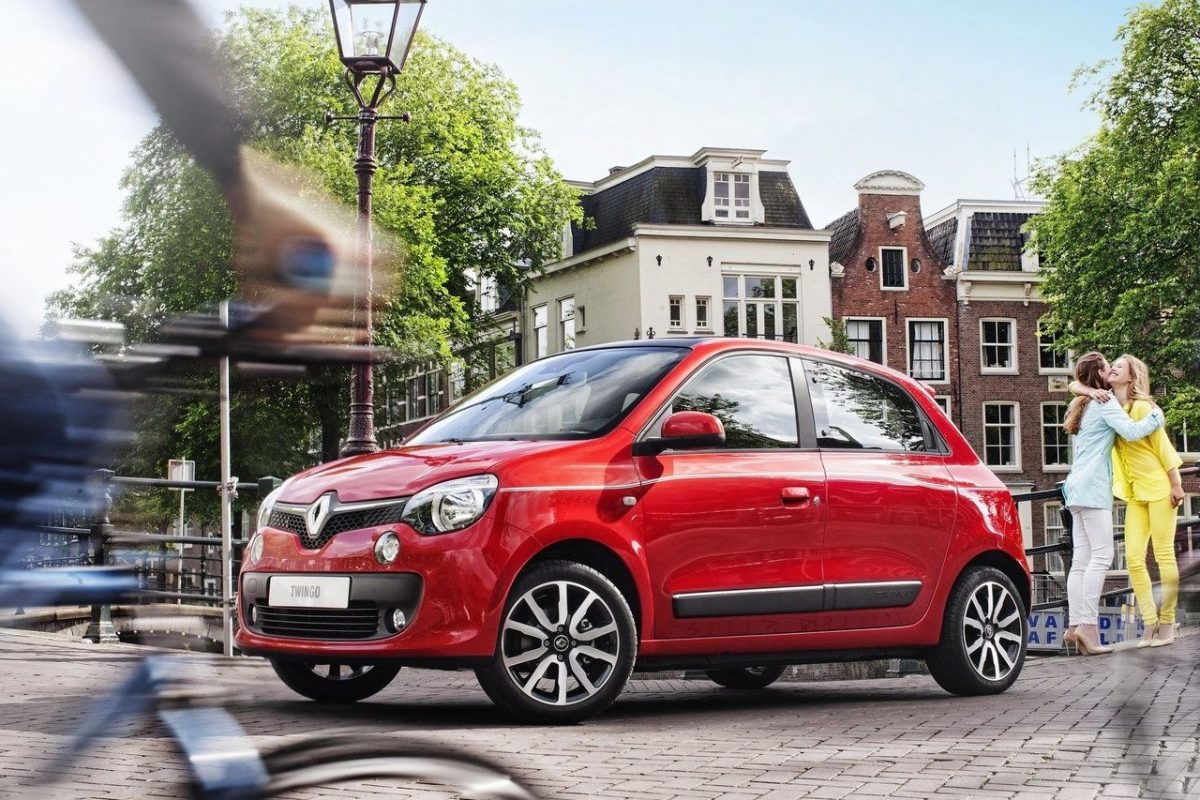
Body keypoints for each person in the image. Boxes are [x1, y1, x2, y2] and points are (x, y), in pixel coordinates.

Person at [1076, 354, 1183, 648]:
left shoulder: (1143, 407)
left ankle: (1167, 622)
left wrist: (1176, 483)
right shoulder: (1109, 404)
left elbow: (1163, 447)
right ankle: (1149, 623)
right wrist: (1088, 390)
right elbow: (1073, 385)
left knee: (1164, 555)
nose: (1112, 368)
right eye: (1112, 366)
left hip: (1159, 488)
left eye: (1119, 367)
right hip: (1135, 493)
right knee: (1134, 559)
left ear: (1131, 377)